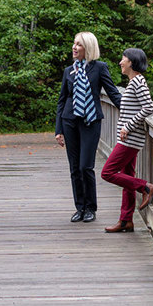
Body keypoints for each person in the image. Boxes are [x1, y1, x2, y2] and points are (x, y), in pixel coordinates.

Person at [55, 32, 122, 224]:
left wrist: (130, 109)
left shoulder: (99, 68)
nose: (74, 48)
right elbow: (62, 101)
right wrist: (58, 129)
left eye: (79, 45)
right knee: (75, 167)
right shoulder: (69, 71)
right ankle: (80, 207)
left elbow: (113, 93)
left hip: (91, 121)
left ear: (88, 48)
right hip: (69, 121)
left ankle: (91, 207)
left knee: (86, 166)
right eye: (74, 44)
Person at [101, 48, 153, 233]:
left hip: (130, 139)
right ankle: (126, 221)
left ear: (131, 62)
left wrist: (128, 126)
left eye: (123, 58)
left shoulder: (138, 82)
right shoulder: (133, 82)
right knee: (127, 178)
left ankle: (144, 187)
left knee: (107, 173)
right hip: (128, 138)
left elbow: (148, 107)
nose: (120, 62)